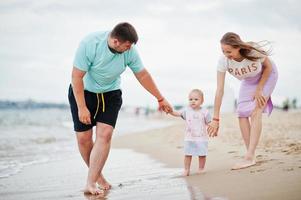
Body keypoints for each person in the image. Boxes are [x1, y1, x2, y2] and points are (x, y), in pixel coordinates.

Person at [68, 22, 173, 195]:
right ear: (116, 42)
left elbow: (142, 74)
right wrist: (82, 107)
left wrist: (160, 98)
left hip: (110, 94)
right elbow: (76, 76)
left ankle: (91, 182)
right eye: (127, 46)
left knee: (105, 135)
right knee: (84, 140)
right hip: (84, 93)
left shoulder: (129, 50)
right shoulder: (90, 43)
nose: (129, 49)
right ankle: (98, 177)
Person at [207, 32, 278, 170]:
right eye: (223, 51)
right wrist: (215, 118)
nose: (226, 54)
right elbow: (220, 90)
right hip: (249, 80)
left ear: (238, 47)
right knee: (241, 113)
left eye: (229, 51)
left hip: (267, 76)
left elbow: (268, 67)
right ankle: (250, 154)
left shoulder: (252, 50)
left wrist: (260, 89)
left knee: (256, 110)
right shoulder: (223, 61)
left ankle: (249, 156)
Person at [170, 89, 211, 176]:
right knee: (188, 154)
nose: (193, 101)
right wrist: (170, 111)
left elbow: (209, 123)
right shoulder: (187, 111)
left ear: (202, 101)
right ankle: (186, 170)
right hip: (189, 138)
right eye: (191, 99)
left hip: (201, 138)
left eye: (196, 99)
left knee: (202, 154)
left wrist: (213, 128)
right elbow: (177, 113)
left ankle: (201, 168)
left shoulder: (205, 112)